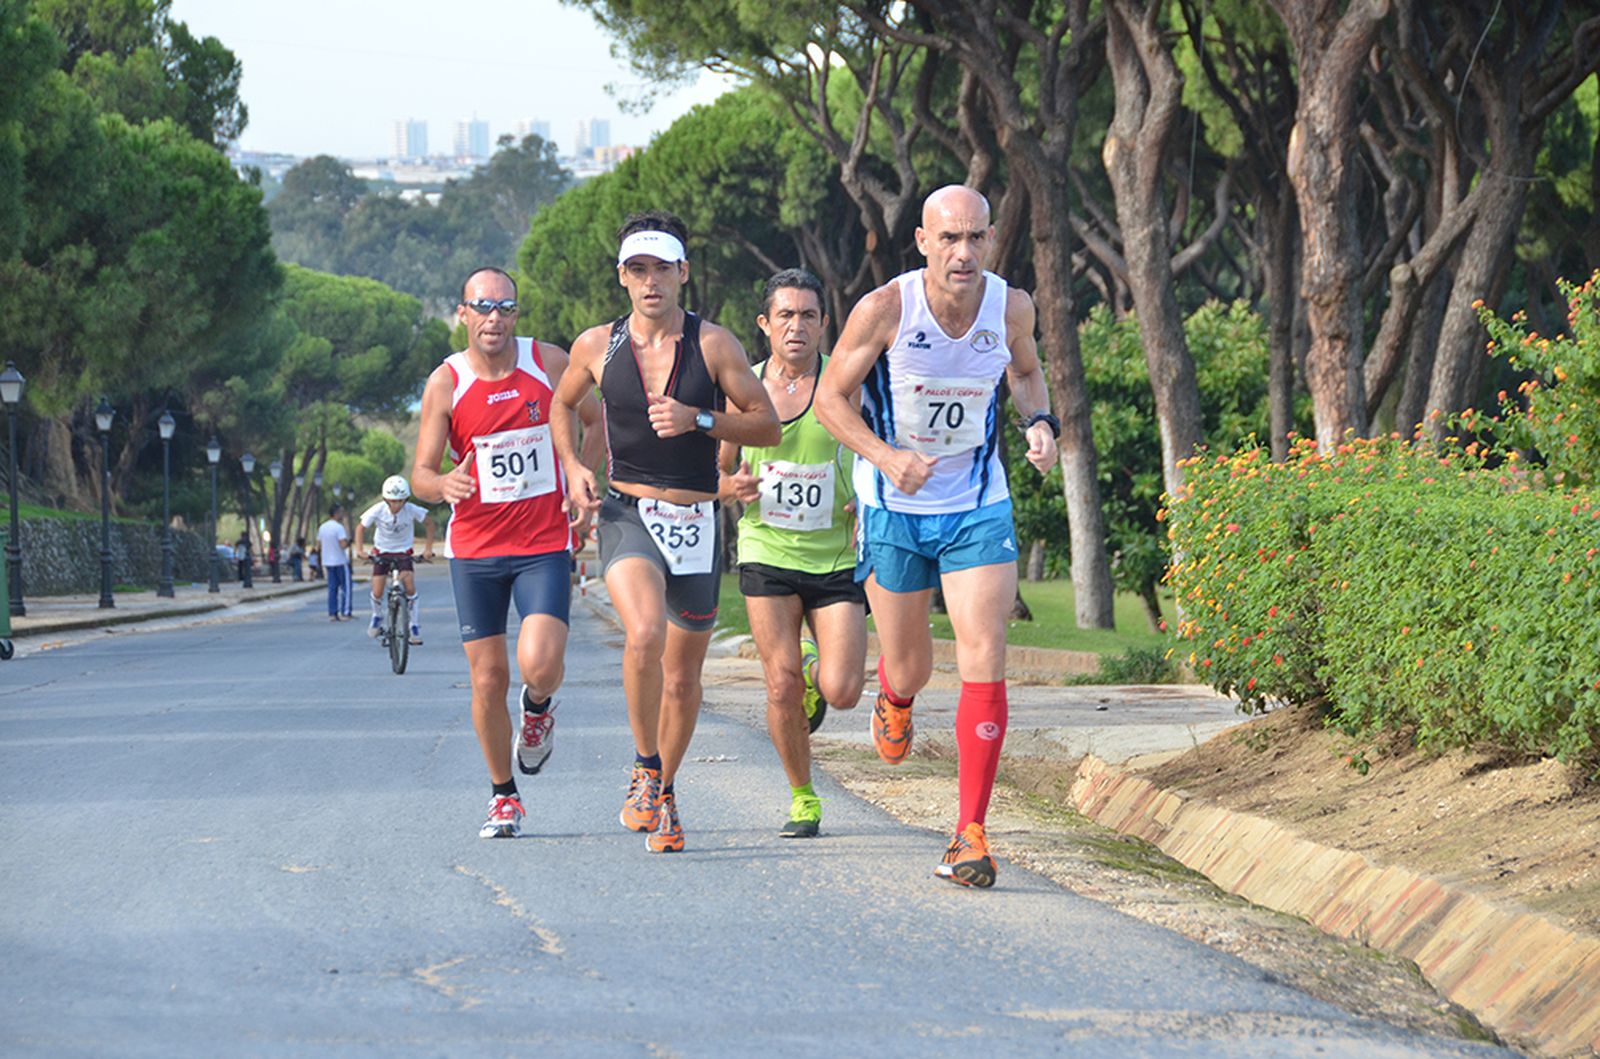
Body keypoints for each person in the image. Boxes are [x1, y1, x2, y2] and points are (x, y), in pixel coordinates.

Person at [814, 185, 1061, 889]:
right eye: (948, 238)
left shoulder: (1010, 306)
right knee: (912, 664)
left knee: (984, 651)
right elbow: (830, 399)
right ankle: (895, 697)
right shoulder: (887, 309)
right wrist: (887, 456)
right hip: (894, 505)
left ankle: (969, 832)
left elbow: (1027, 370)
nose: (963, 252)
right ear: (921, 241)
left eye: (976, 238)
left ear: (991, 240)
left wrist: (1040, 424)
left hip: (978, 503)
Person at [553, 210, 780, 854]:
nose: (650, 281)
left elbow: (767, 426)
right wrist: (573, 466)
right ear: (623, 277)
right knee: (645, 632)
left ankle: (667, 790)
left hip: (699, 520)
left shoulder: (714, 346)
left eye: (662, 268)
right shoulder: (598, 346)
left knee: (682, 681)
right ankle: (645, 767)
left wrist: (700, 419)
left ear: (683, 273)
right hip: (628, 513)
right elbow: (561, 403)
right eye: (637, 269)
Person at [412, 266, 603, 841]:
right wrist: (443, 486)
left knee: (539, 664)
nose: (494, 317)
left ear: (516, 314)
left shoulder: (546, 362)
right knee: (488, 679)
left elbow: (597, 424)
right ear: (463, 314)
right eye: (482, 307)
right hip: (475, 550)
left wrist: (581, 477)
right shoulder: (446, 382)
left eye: (505, 307)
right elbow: (420, 473)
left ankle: (539, 708)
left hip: (543, 540)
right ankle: (503, 797)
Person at [718, 268, 866, 838]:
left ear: (825, 325)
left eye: (808, 316)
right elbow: (720, 466)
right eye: (786, 315)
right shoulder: (745, 388)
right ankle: (803, 797)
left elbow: (878, 451)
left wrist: (867, 500)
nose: (797, 327)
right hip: (766, 548)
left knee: (842, 690)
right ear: (765, 325)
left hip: (835, 557)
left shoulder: (845, 384)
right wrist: (731, 487)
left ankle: (813, 666)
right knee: (778, 684)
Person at [354, 475, 436, 646]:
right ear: (386, 499)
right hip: (382, 551)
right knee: (377, 590)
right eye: (392, 501)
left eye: (400, 501)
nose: (397, 505)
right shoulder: (378, 510)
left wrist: (428, 549)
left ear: (405, 499)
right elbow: (360, 528)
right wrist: (360, 550)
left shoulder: (411, 509)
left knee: (410, 588)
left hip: (403, 552)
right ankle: (377, 616)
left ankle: (413, 625)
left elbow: (429, 524)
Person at [315, 505, 351, 620]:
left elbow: (318, 546)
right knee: (346, 587)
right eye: (340, 513)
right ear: (336, 514)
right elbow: (343, 545)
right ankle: (345, 611)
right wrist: (349, 542)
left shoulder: (322, 527)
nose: (341, 515)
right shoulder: (338, 528)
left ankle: (332, 612)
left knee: (332, 588)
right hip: (340, 561)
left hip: (327, 561)